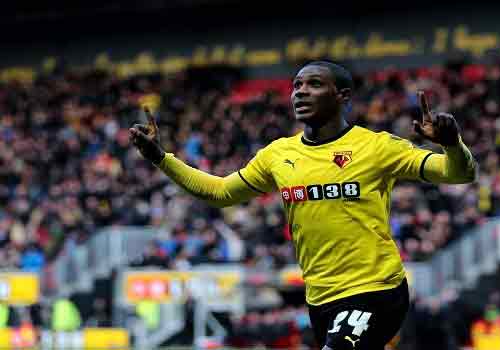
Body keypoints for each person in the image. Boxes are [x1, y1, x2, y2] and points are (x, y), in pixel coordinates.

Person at [130, 61, 477, 350]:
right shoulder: (278, 155)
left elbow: (457, 174)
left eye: (314, 84)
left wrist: (452, 145)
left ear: (342, 97)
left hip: (376, 290)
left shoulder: (376, 147)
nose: (300, 91)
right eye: (296, 85)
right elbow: (220, 192)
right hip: (320, 298)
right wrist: (162, 158)